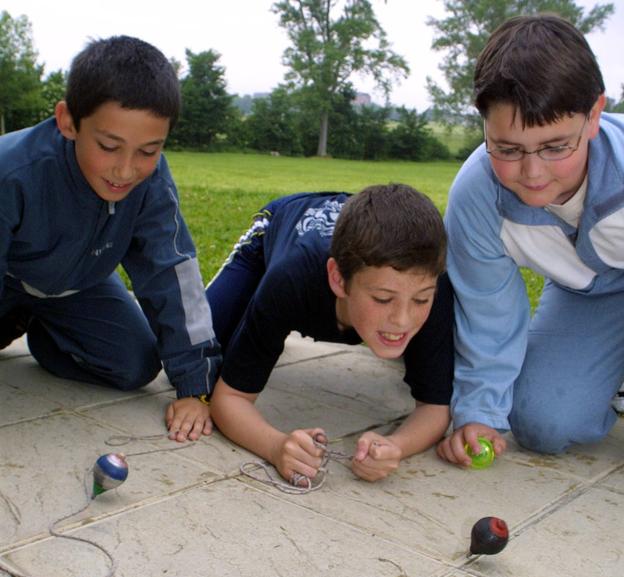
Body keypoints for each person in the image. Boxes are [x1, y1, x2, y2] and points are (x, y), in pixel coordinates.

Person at [0, 36, 221, 442]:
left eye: (148, 150)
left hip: (80, 285)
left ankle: (44, 333)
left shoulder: (150, 181)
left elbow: (171, 269)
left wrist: (195, 386)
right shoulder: (12, 170)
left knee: (134, 365)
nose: (125, 171)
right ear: (68, 121)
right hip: (9, 279)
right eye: (108, 146)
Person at [438, 14, 624, 467]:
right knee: (542, 422)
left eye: (555, 147)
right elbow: (488, 315)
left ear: (595, 114)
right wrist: (479, 412)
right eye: (507, 149)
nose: (533, 173)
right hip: (592, 295)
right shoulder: (477, 197)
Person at [207, 184, 454, 483]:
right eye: (383, 299)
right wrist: (275, 446)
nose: (402, 320)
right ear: (338, 279)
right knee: (202, 351)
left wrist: (397, 446)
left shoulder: (433, 283)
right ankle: (262, 320)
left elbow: (436, 408)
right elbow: (229, 398)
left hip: (347, 245)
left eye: (420, 300)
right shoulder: (290, 278)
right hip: (284, 224)